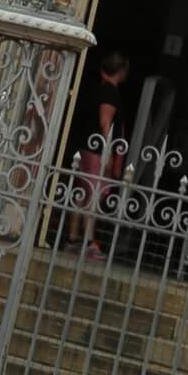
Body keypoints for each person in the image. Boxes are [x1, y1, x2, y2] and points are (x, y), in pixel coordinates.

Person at [68, 48, 130, 258]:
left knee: (83, 191)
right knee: (93, 193)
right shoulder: (110, 92)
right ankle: (89, 241)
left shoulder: (98, 88)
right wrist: (109, 152)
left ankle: (74, 236)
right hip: (96, 149)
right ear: (120, 70)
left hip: (87, 146)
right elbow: (106, 123)